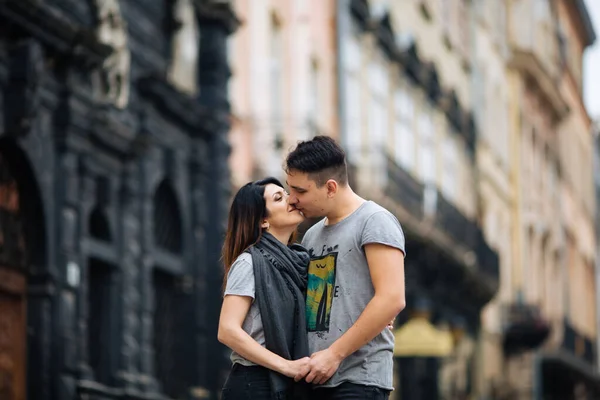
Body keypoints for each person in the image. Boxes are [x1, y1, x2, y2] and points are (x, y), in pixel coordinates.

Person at [285, 136, 406, 400]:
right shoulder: (312, 235)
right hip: (314, 378)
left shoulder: (375, 222)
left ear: (330, 187)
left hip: (358, 381)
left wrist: (333, 354)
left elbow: (392, 298)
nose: (292, 199)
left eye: (301, 191)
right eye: (289, 189)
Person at [218, 177, 312, 400]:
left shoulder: (300, 262)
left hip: (285, 383)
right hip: (254, 383)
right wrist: (287, 367)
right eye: (279, 198)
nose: (292, 200)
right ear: (263, 221)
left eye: (287, 194)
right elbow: (227, 330)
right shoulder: (249, 262)